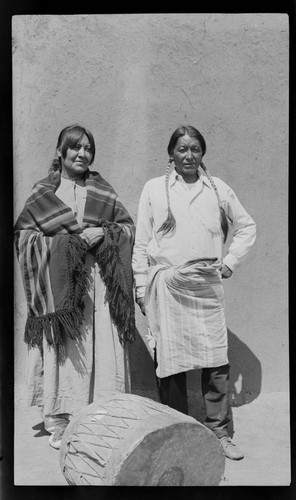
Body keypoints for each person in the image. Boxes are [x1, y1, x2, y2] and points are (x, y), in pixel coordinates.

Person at [132, 125, 256, 461]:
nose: (189, 156)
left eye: (196, 149)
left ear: (203, 154)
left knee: (215, 361)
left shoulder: (218, 190)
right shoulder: (155, 189)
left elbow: (246, 227)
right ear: (170, 153)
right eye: (182, 149)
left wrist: (229, 262)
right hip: (167, 287)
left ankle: (219, 431)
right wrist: (142, 289)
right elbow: (142, 242)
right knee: (170, 364)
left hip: (206, 285)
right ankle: (178, 430)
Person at [14, 124, 136, 449]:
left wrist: (104, 234)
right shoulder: (44, 192)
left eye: (88, 148)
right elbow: (24, 237)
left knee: (99, 346)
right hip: (62, 287)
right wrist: (67, 242)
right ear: (60, 152)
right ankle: (61, 418)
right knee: (63, 350)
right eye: (75, 148)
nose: (82, 154)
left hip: (97, 284)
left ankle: (100, 415)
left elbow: (126, 228)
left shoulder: (102, 190)